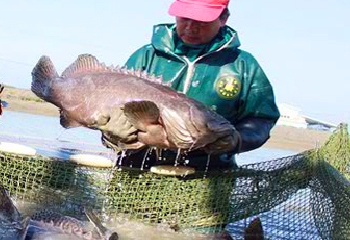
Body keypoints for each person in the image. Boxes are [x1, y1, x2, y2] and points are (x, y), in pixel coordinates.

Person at [104, 0, 280, 170]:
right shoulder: (146, 56)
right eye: (184, 18)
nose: (190, 27)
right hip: (136, 168)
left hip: (208, 174)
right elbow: (108, 106)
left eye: (201, 21)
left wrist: (238, 139)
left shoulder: (243, 65)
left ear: (223, 18)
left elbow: (262, 118)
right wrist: (110, 133)